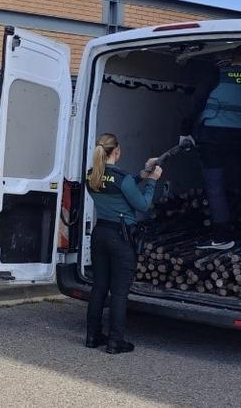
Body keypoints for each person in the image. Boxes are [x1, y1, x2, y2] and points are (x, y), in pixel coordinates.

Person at [85, 133, 162, 355]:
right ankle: (115, 341)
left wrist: (143, 173)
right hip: (121, 237)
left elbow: (119, 186)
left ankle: (92, 336)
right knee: (119, 292)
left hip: (100, 234)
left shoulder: (92, 175)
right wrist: (152, 181)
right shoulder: (122, 178)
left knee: (99, 287)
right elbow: (143, 205)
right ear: (116, 152)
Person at [187, 44, 241, 250]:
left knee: (215, 187)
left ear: (232, 58)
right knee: (237, 176)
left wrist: (185, 131)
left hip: (213, 136)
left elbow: (196, 103)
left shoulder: (218, 74)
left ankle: (223, 237)